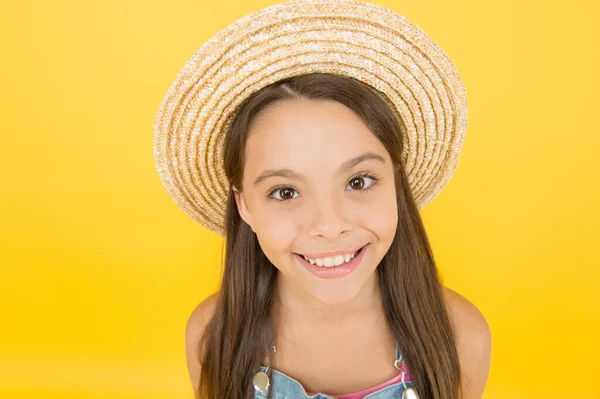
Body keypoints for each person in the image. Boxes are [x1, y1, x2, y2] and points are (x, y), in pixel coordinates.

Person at [154, 1, 492, 398]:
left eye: (359, 181)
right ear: (244, 205)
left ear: (397, 185)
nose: (330, 225)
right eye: (285, 192)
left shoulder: (460, 336)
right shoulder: (213, 336)